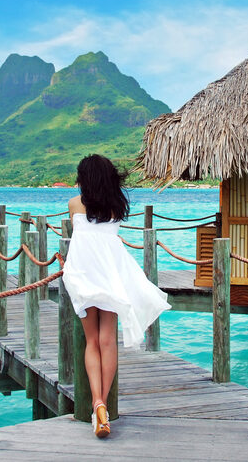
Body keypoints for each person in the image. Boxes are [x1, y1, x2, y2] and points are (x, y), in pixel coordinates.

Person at [62, 154, 171, 438]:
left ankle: (95, 400)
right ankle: (103, 405)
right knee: (108, 341)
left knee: (92, 342)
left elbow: (81, 230)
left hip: (83, 276)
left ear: (84, 178)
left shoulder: (75, 204)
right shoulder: (116, 207)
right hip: (109, 276)